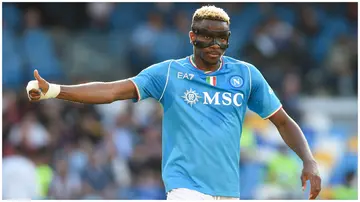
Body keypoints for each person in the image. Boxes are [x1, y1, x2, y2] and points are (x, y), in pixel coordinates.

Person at [26, 5, 321, 200]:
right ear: (193, 36)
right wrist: (55, 90)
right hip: (185, 189)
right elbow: (113, 91)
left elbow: (282, 121)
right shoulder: (168, 73)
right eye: (208, 39)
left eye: (223, 39)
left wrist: (309, 160)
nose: (216, 46)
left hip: (230, 191)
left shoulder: (245, 75)